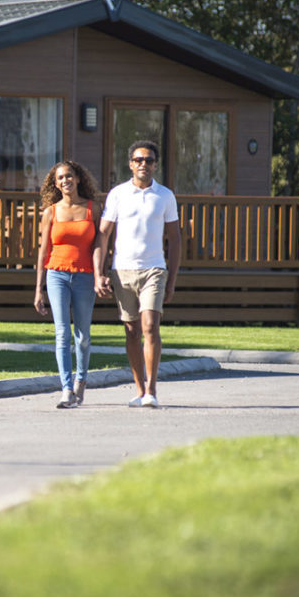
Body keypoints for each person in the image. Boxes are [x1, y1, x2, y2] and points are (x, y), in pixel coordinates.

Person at [93, 140, 180, 408]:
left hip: (154, 268)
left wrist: (172, 280)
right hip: (122, 270)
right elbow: (103, 234)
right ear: (130, 164)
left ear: (156, 164)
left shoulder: (165, 196)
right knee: (131, 331)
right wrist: (99, 274)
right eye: (139, 159)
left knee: (150, 327)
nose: (144, 164)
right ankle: (140, 389)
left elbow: (175, 239)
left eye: (149, 160)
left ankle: (152, 391)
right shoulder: (118, 194)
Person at [34, 160, 102, 409]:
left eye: (70, 176)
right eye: (61, 178)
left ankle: (80, 381)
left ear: (79, 178)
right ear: (55, 183)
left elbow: (100, 245)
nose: (66, 181)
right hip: (56, 275)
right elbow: (43, 252)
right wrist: (38, 289)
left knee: (82, 336)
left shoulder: (93, 209)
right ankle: (65, 388)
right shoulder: (50, 212)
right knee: (62, 333)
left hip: (84, 276)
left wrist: (99, 273)